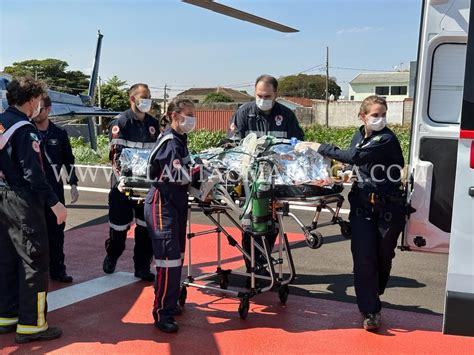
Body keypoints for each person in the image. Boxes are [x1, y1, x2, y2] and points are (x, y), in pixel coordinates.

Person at [295, 95, 406, 331]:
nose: (380, 119)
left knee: (383, 259)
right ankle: (370, 311)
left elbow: (355, 156)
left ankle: (374, 293)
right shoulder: (359, 135)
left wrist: (319, 147)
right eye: (375, 114)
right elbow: (355, 163)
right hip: (363, 207)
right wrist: (341, 172)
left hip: (388, 209)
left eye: (383, 114)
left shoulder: (385, 139)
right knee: (364, 259)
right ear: (362, 116)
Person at [0, 78, 66, 343]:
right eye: (39, 99)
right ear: (31, 100)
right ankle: (32, 325)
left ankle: (6, 316)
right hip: (22, 201)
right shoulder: (24, 129)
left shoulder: (2, 121)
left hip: (2, 198)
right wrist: (54, 203)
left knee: (6, 259)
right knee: (34, 260)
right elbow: (33, 174)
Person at [227, 74, 304, 279]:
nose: (262, 98)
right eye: (259, 95)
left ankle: (263, 259)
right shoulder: (244, 113)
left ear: (275, 94)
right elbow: (233, 143)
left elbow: (298, 142)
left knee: (273, 223)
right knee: (251, 223)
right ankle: (254, 266)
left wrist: (292, 149)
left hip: (277, 178)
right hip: (249, 179)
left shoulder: (286, 115)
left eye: (267, 95)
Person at [144, 98, 196, 333]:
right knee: (168, 259)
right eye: (188, 114)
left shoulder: (179, 140)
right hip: (162, 204)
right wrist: (199, 173)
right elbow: (178, 173)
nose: (192, 119)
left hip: (176, 203)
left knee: (177, 258)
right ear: (175, 116)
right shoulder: (170, 142)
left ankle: (170, 302)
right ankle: (162, 313)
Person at [103, 83, 159, 281]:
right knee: (119, 231)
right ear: (132, 99)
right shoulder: (120, 122)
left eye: (149, 96)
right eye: (144, 97)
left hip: (146, 188)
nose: (147, 100)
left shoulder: (153, 123)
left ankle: (142, 267)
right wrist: (122, 180)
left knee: (145, 231)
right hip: (123, 187)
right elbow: (115, 156)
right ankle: (112, 254)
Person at [32, 95, 78, 283]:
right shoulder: (26, 131)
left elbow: (69, 160)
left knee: (57, 231)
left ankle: (58, 269)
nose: (36, 113)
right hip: (33, 192)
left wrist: (73, 184)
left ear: (49, 109)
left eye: (40, 109)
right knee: (34, 233)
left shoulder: (59, 134)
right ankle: (35, 271)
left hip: (55, 191)